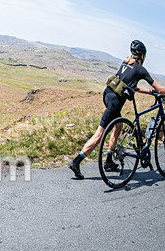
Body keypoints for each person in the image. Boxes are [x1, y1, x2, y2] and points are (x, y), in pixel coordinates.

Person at [68, 40, 165, 179]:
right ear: (142, 56)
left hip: (107, 95)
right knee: (99, 135)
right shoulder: (140, 69)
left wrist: (150, 92)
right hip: (115, 103)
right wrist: (158, 91)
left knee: (118, 126)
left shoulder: (126, 63)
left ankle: (108, 161)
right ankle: (76, 161)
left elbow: (133, 87)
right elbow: (160, 90)